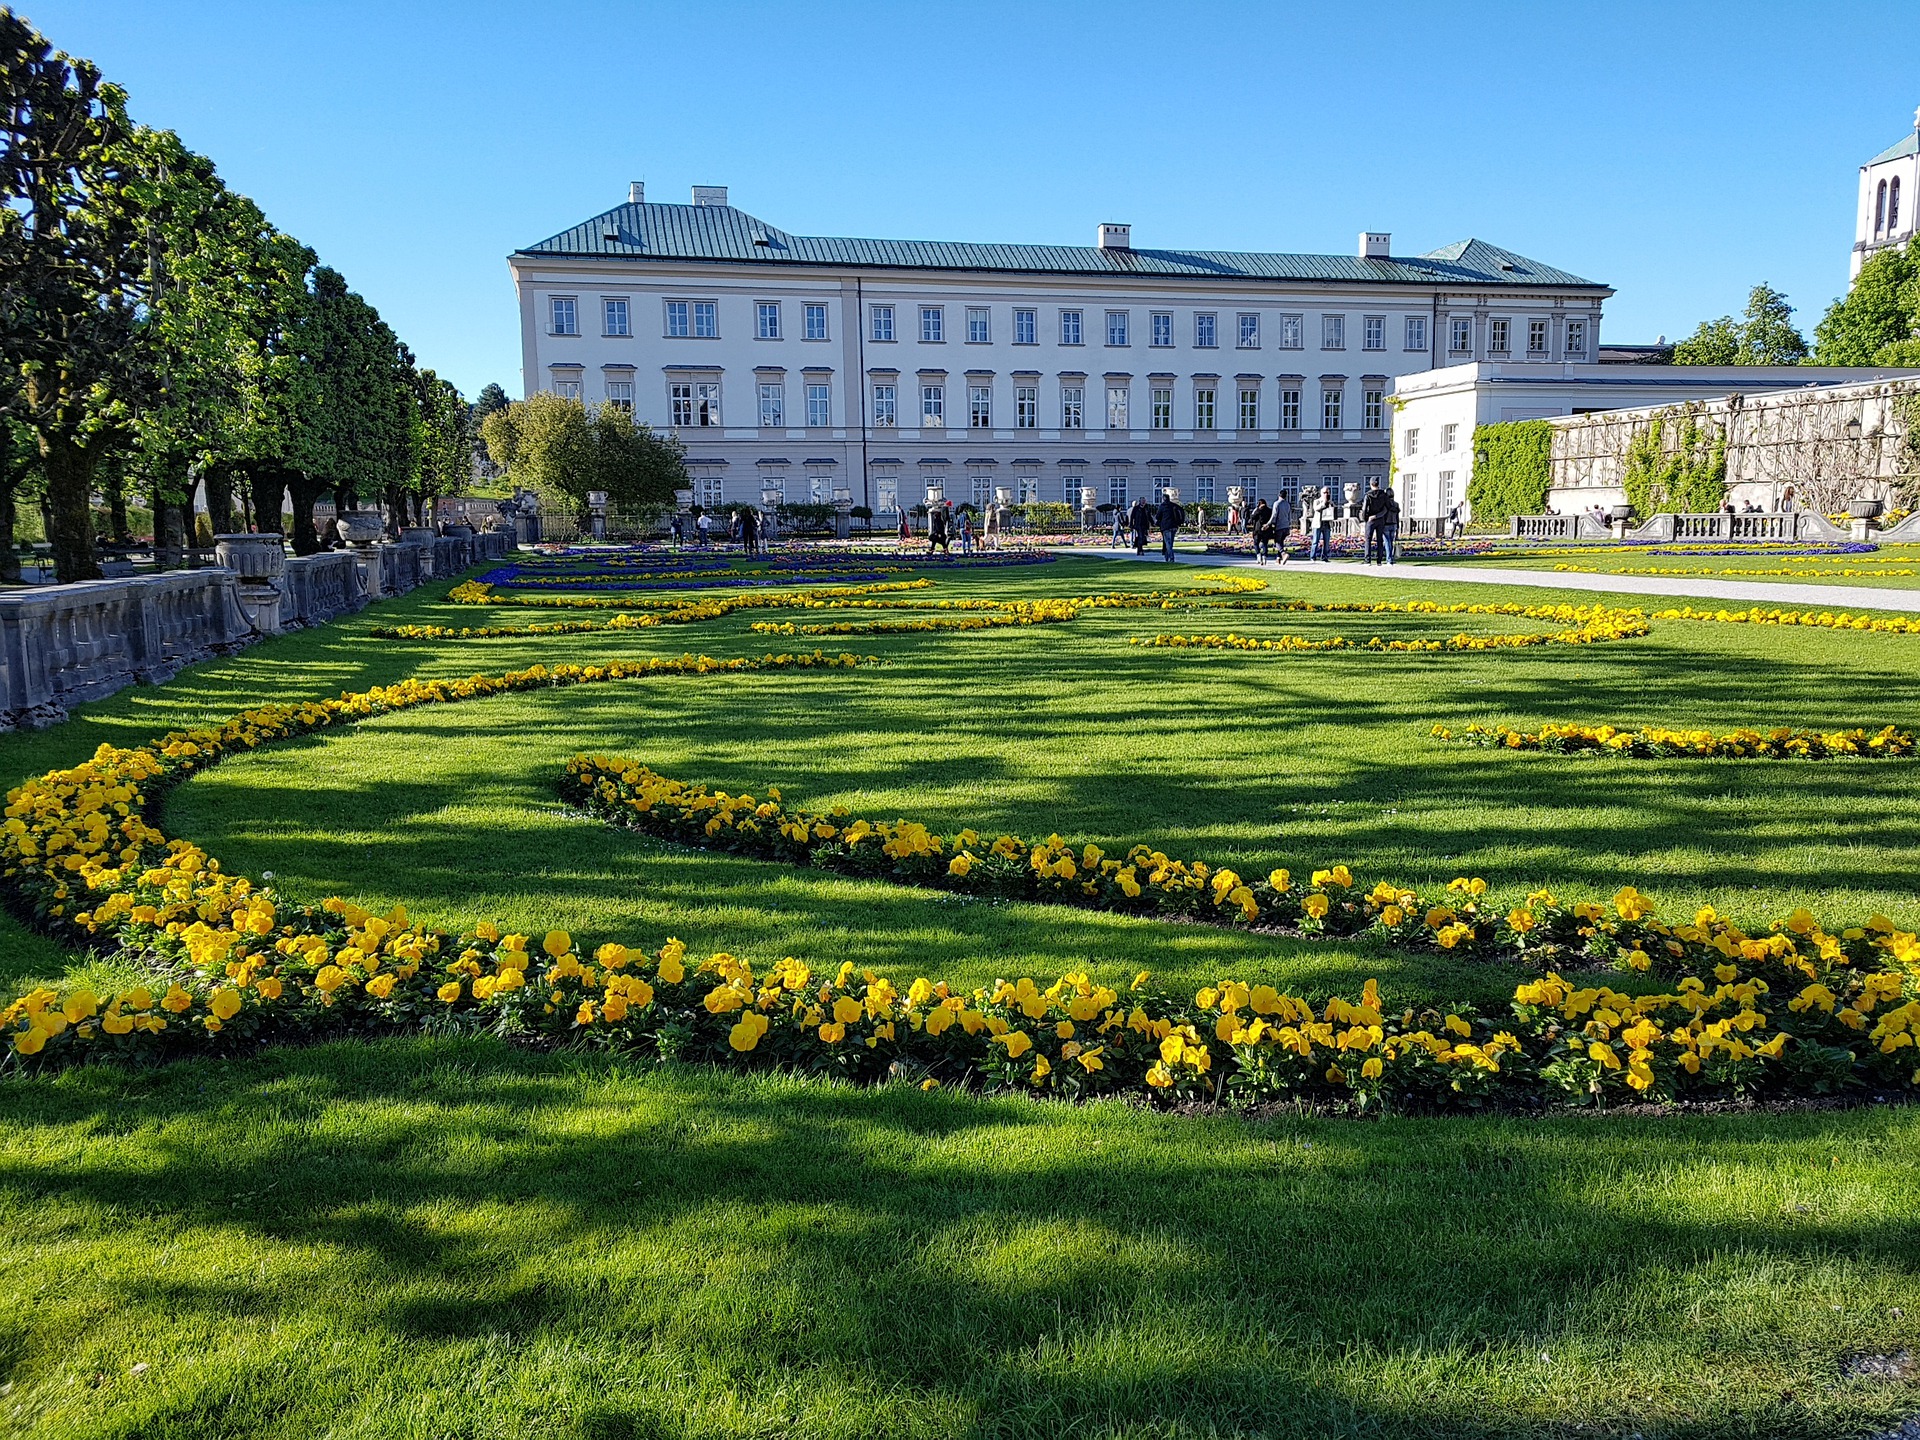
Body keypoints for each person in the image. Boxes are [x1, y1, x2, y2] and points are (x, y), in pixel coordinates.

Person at [1361, 480, 1390, 565]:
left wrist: (1365, 519)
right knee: (1379, 540)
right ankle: (1379, 560)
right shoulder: (1383, 495)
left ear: (1370, 484)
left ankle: (1367, 559)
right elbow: (1386, 507)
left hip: (1370, 519)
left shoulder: (1368, 495)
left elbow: (1364, 509)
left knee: (1368, 540)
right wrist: (1378, 516)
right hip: (1380, 519)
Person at [1154, 490, 1186, 562]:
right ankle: (1167, 557)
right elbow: (1181, 510)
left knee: (1167, 543)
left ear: (1163, 499)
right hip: (1174, 526)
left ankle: (1171, 557)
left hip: (1166, 526)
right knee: (1170, 543)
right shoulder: (1174, 505)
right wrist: (1180, 521)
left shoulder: (1162, 506)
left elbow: (1157, 517)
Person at [1308, 487, 1334, 561]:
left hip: (1327, 523)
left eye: (1327, 492)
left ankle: (1325, 557)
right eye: (1324, 492)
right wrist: (1324, 502)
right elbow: (1316, 508)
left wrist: (1329, 504)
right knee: (1315, 541)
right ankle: (1313, 557)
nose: (1326, 494)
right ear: (1321, 493)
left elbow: (1333, 510)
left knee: (1326, 541)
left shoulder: (1330, 502)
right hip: (1318, 523)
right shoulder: (1317, 501)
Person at [1271, 489, 1295, 566]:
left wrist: (1269, 524)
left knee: (1277, 542)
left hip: (1279, 526)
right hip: (1286, 526)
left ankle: (1283, 553)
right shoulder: (1287, 504)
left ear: (1279, 495)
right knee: (1281, 542)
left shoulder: (1276, 503)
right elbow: (1289, 516)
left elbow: (1274, 516)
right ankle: (1278, 559)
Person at [1248, 497, 1274, 564]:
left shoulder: (1258, 510)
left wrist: (1257, 509)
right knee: (1264, 543)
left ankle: (1258, 555)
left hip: (1258, 529)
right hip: (1266, 529)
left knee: (1256, 543)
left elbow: (1252, 517)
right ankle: (1264, 557)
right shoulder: (1269, 510)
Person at [1380, 485, 1401, 565]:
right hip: (1394, 524)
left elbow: (1383, 515)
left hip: (1386, 524)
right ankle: (1391, 558)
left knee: (1387, 542)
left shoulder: (1385, 504)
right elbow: (1397, 517)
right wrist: (1398, 527)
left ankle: (1389, 559)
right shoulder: (1396, 504)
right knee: (1390, 542)